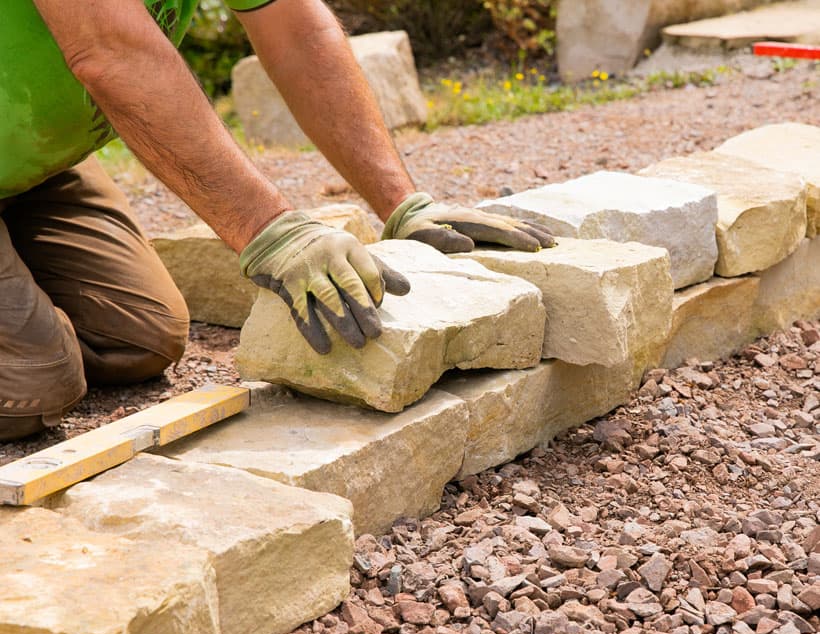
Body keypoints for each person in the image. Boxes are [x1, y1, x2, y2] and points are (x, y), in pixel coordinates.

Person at [0, 0, 554, 442]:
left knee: (138, 338)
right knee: (34, 383)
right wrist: (270, 228)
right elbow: (111, 51)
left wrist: (404, 204)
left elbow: (297, 31)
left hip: (35, 171)